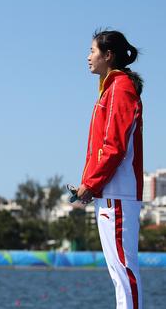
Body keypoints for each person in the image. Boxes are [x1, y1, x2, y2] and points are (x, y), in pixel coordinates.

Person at [76, 30, 143, 309]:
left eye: (93, 51)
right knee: (119, 272)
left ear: (108, 55)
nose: (88, 56)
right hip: (111, 193)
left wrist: (90, 183)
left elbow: (114, 146)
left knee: (124, 271)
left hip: (117, 192)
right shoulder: (111, 88)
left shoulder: (120, 88)